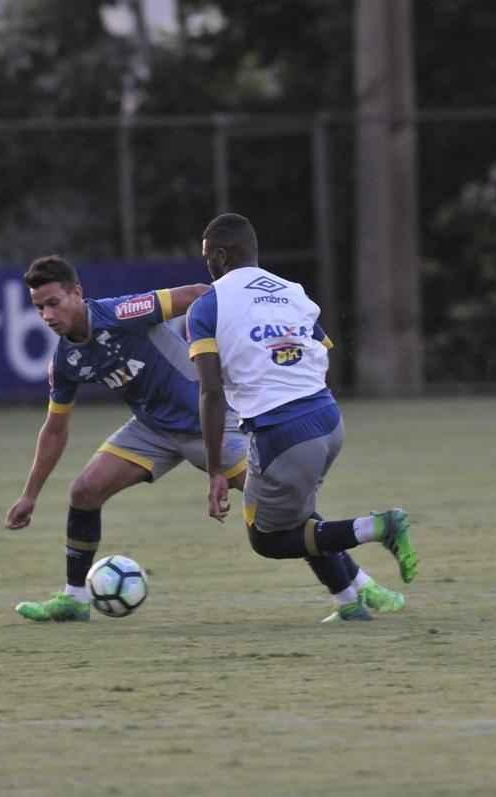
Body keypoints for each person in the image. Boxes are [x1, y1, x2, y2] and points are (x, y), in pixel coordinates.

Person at [6, 255, 405, 622]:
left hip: (210, 424)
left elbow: (199, 294)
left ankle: (354, 594)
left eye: (54, 302)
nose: (46, 314)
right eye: (39, 307)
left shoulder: (121, 312)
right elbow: (54, 429)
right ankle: (76, 599)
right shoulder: (66, 359)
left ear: (77, 293)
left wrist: (232, 329)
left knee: (282, 510)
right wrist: (30, 495)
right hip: (152, 430)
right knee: (84, 491)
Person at [186, 213, 420, 623]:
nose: (206, 264)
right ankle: (350, 601)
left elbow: (209, 390)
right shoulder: (291, 291)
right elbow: (322, 348)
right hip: (328, 420)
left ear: (221, 256)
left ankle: (380, 527)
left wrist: (215, 471)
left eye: (208, 257)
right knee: (298, 515)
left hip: (281, 432)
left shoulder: (208, 305)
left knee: (267, 538)